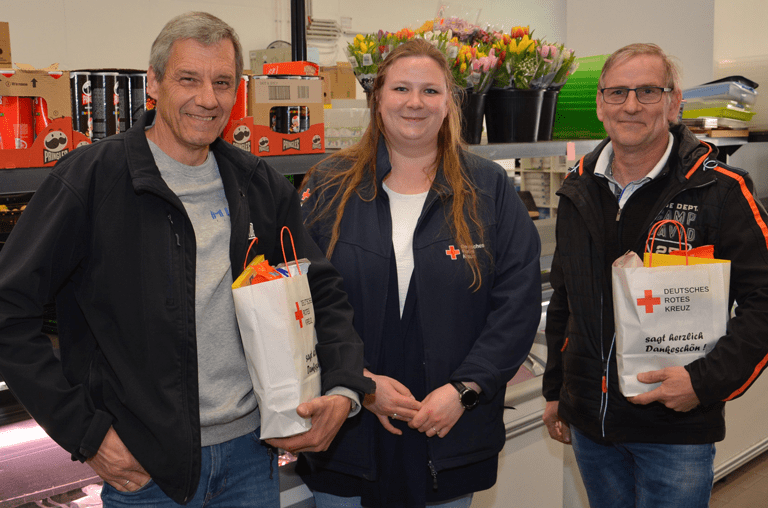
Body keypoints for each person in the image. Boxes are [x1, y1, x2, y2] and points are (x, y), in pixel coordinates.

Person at [0, 11, 374, 507]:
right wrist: (85, 435)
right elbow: (8, 311)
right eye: (188, 79)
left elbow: (318, 289)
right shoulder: (92, 180)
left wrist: (346, 385)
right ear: (153, 82)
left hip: (249, 460)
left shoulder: (256, 183)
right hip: (145, 470)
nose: (208, 98)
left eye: (222, 82)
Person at [296, 38, 542, 508]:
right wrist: (360, 385)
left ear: (450, 102)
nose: (414, 102)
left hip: (448, 429)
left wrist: (463, 392)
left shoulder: (488, 190)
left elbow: (517, 304)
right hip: (346, 430)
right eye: (401, 88)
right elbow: (297, 302)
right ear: (378, 98)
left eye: (430, 91)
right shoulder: (328, 185)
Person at [542, 42, 768, 508]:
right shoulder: (576, 189)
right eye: (618, 92)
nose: (630, 105)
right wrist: (556, 392)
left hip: (675, 429)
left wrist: (703, 383)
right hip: (592, 427)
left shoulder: (719, 191)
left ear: (673, 102)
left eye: (648, 91)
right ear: (600, 105)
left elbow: (764, 299)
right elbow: (565, 297)